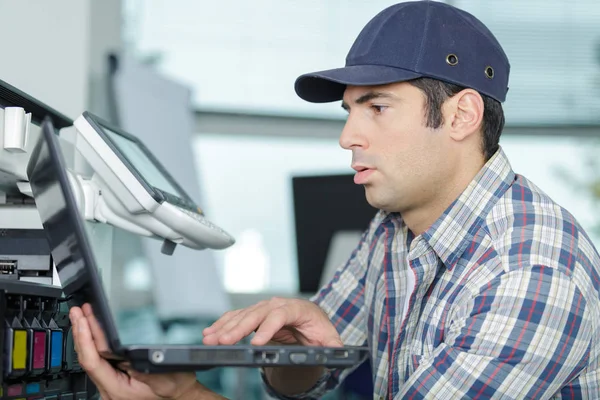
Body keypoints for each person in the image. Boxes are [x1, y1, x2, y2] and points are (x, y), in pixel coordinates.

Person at [71, 1, 600, 398]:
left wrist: (188, 396)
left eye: (377, 108)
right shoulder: (393, 229)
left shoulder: (531, 268)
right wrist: (288, 352)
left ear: (462, 117)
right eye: (348, 111)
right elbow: (306, 379)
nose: (348, 137)